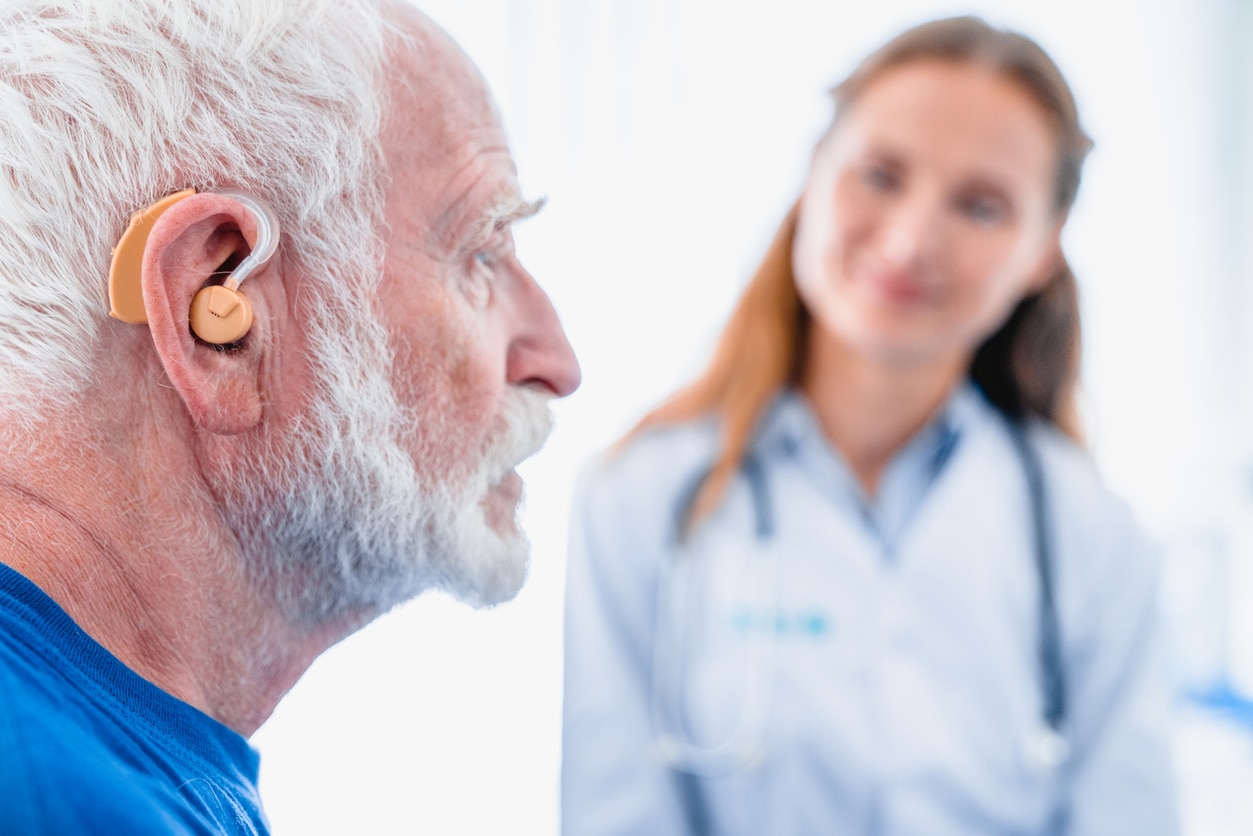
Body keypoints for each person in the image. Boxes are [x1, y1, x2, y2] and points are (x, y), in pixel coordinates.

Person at [562, 16, 1177, 835]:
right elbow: (616, 814)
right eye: (881, 175)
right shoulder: (643, 496)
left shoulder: (1090, 534)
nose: (910, 238)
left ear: (1042, 251)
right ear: (813, 174)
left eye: (980, 206)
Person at [0, 0, 579, 832]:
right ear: (218, 312)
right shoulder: (58, 802)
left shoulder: (111, 747)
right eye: (480, 255)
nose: (555, 362)